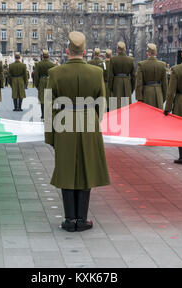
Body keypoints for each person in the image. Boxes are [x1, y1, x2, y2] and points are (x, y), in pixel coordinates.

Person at [45, 31, 110, 232]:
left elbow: (49, 106)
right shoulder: (96, 72)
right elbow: (102, 103)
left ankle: (69, 219)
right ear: (84, 52)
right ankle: (82, 219)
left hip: (63, 124)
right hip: (89, 122)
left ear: (67, 51)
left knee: (66, 169)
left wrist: (51, 136)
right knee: (86, 168)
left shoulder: (55, 73)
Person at [135, 43, 168, 109]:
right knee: (157, 118)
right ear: (156, 53)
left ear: (148, 53)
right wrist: (162, 98)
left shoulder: (142, 65)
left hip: (146, 95)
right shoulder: (162, 65)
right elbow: (165, 84)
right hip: (158, 95)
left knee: (146, 117)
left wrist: (139, 99)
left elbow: (139, 84)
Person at [108, 42, 135, 109]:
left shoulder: (113, 59)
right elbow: (134, 76)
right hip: (127, 83)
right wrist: (131, 88)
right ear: (125, 49)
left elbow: (110, 76)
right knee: (126, 107)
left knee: (116, 106)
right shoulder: (131, 60)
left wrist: (111, 88)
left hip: (116, 84)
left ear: (117, 49)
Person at [35, 50, 56, 119]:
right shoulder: (52, 64)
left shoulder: (39, 64)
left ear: (42, 56)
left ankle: (43, 114)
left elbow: (36, 76)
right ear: (48, 56)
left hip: (42, 81)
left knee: (42, 99)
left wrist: (37, 85)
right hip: (49, 81)